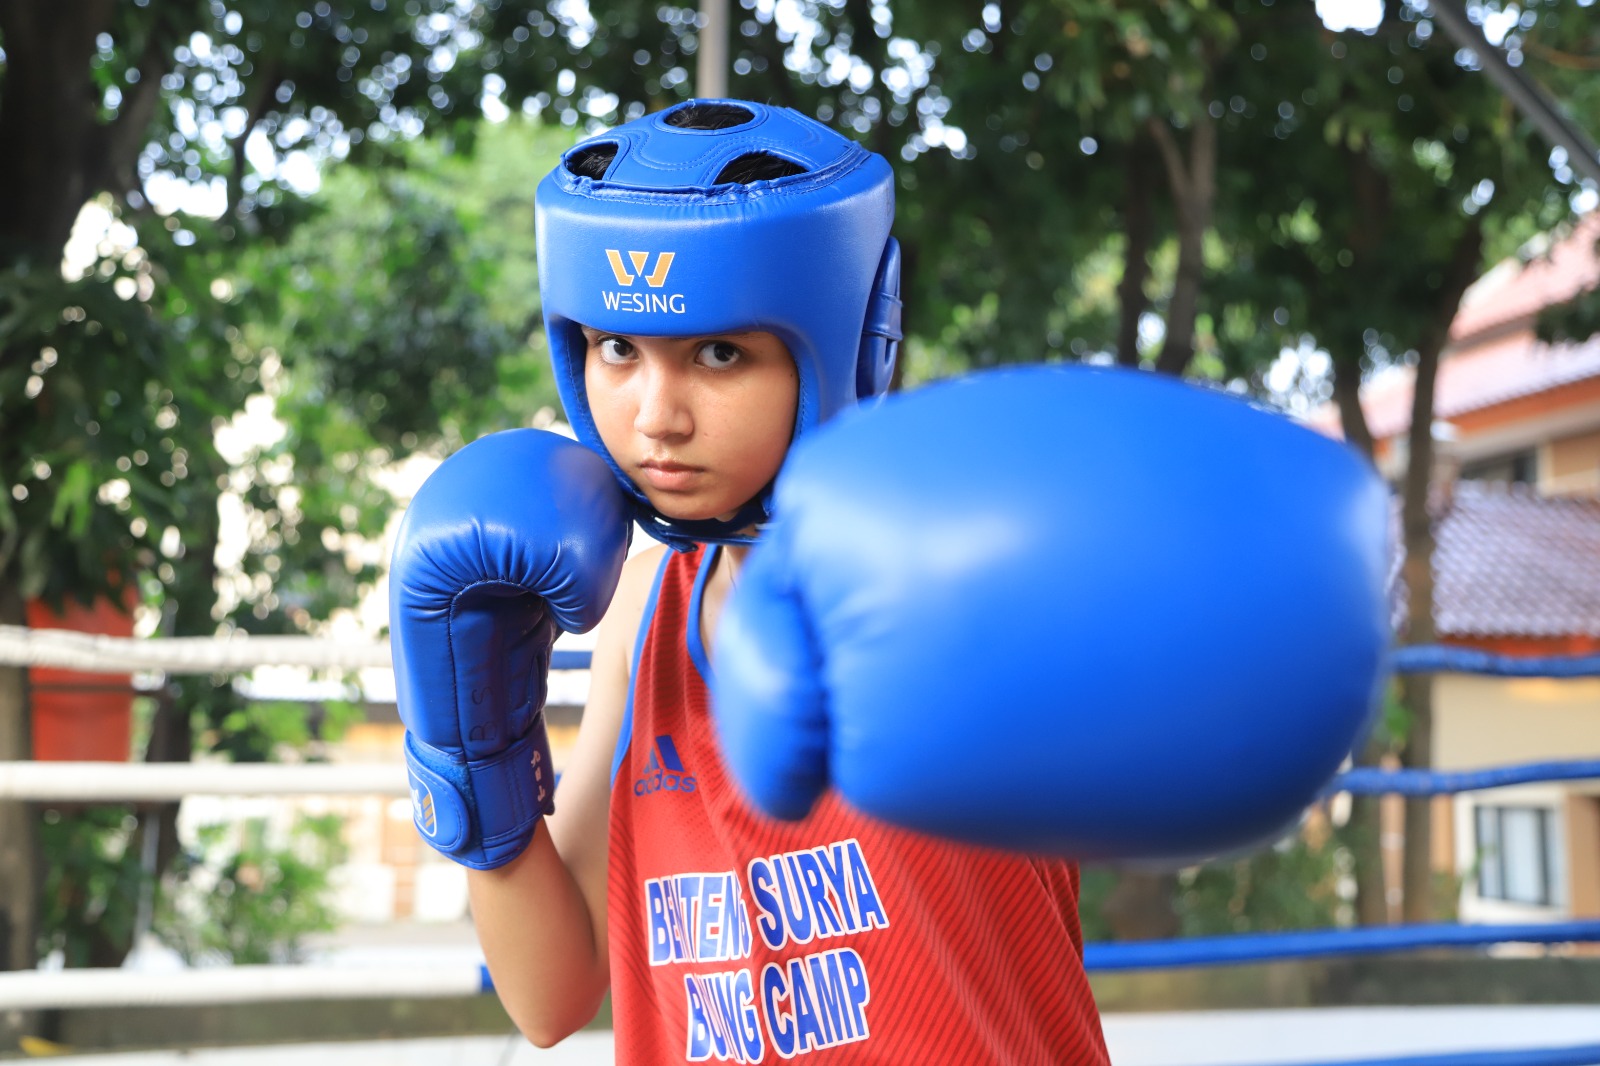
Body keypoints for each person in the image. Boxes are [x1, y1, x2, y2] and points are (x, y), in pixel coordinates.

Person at [390, 99, 1112, 1063]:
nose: (656, 417)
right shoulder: (644, 612)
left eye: (719, 353)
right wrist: (472, 751)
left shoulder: (961, 573)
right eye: (617, 349)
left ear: (850, 341)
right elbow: (551, 999)